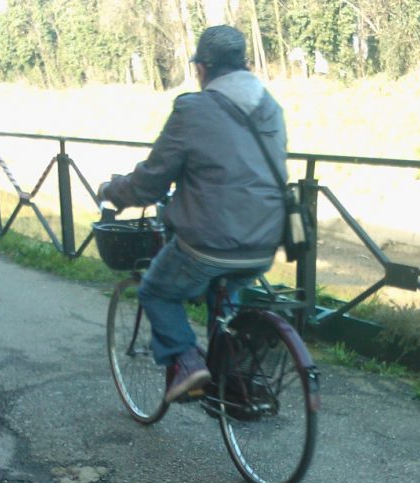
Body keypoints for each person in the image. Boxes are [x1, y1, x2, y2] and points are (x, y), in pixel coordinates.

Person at [100, 25, 287, 403]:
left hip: (209, 242)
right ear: (245, 65)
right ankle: (230, 379)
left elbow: (150, 182)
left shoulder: (193, 108)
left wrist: (113, 192)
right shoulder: (271, 107)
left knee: (156, 290)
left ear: (202, 68)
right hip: (266, 241)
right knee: (226, 294)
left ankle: (186, 364)